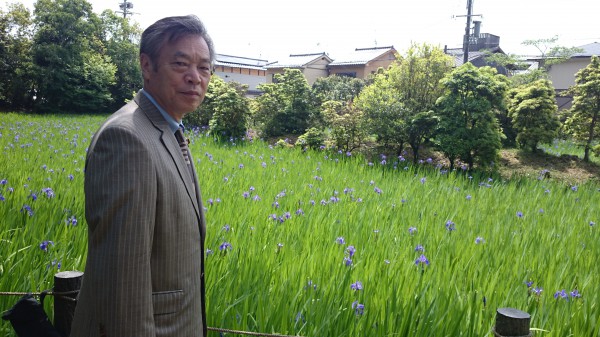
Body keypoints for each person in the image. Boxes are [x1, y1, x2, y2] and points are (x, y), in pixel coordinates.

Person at [70, 15, 214, 337]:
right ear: (147, 66)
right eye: (181, 64)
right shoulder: (127, 139)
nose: (195, 77)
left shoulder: (165, 128)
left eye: (204, 68)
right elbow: (122, 286)